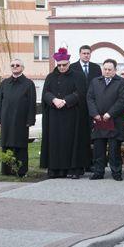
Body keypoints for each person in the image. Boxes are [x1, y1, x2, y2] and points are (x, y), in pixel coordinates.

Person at [40, 48, 91, 179]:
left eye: (64, 65)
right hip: (54, 117)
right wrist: (53, 99)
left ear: (69, 63)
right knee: (55, 143)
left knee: (72, 142)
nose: (62, 68)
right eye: (59, 65)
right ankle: (56, 170)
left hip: (72, 116)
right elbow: (45, 93)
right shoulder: (50, 77)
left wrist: (65, 100)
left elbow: (80, 93)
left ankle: (73, 169)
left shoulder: (78, 75)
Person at [87, 59, 124, 181]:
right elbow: (90, 98)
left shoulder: (121, 82)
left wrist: (109, 113)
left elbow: (122, 100)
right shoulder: (95, 82)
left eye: (109, 69)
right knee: (98, 148)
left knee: (114, 149)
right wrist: (95, 114)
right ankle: (98, 172)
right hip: (98, 120)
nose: (106, 71)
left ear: (115, 70)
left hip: (114, 121)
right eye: (105, 69)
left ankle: (116, 172)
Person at [0, 58, 36, 177]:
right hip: (6, 119)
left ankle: (21, 171)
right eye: (12, 65)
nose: (15, 67)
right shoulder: (4, 83)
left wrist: (30, 120)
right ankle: (7, 171)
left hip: (21, 120)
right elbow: (0, 103)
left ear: (22, 68)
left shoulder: (29, 84)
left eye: (17, 65)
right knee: (6, 143)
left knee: (20, 145)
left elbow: (32, 103)